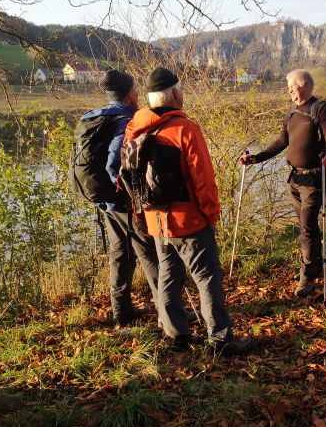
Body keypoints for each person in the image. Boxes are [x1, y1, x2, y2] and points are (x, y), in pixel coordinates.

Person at [123, 67, 253, 354]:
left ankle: (177, 336)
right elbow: (204, 179)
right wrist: (211, 215)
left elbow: (129, 176)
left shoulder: (135, 129)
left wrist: (142, 214)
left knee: (168, 277)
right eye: (181, 89)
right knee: (207, 279)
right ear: (174, 93)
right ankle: (221, 340)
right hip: (189, 221)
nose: (183, 94)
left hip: (156, 221)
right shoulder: (186, 129)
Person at [239, 69, 326, 298]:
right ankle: (314, 266)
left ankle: (307, 277)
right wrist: (256, 158)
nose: (289, 90)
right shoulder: (292, 111)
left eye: (292, 87)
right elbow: (282, 141)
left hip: (313, 178)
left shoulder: (321, 108)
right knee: (306, 227)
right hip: (294, 178)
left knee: (307, 227)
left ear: (305, 85)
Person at [74, 69, 159, 327]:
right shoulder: (126, 118)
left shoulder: (94, 116)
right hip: (124, 200)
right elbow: (114, 162)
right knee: (149, 252)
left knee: (120, 253)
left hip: (106, 200)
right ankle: (169, 312)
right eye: (135, 89)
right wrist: (126, 191)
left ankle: (121, 312)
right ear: (130, 93)